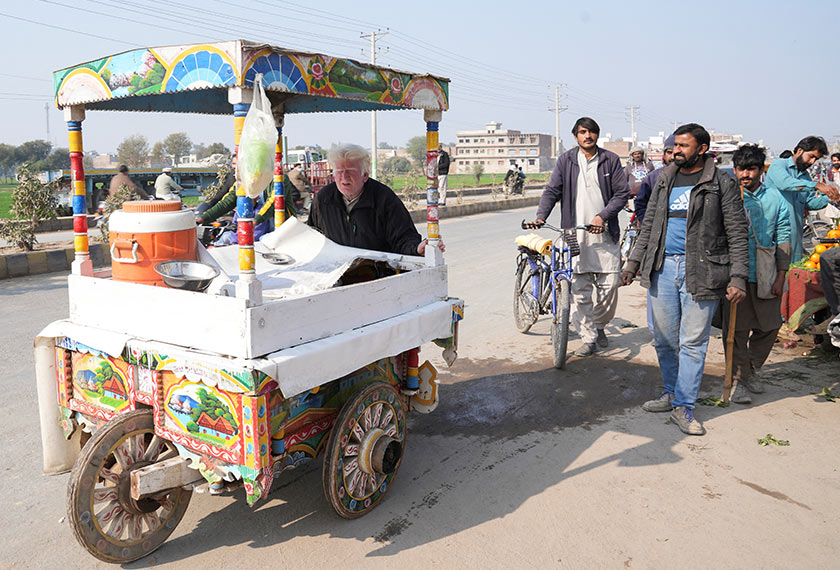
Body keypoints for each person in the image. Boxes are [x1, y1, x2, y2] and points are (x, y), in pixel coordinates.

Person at [621, 123, 749, 436]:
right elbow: (649, 223)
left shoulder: (721, 182)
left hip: (703, 270)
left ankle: (684, 405)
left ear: (702, 149)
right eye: (675, 145)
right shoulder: (665, 178)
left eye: (684, 146)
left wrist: (738, 277)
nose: (677, 151)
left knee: (692, 341)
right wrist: (633, 261)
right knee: (665, 340)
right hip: (662, 268)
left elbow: (736, 230)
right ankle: (671, 392)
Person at [531, 117, 630, 356]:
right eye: (582, 132)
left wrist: (602, 216)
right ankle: (589, 338)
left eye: (592, 132)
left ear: (597, 135)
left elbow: (622, 193)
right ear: (575, 136)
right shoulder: (566, 160)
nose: (588, 136)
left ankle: (599, 323)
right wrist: (541, 216)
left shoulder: (611, 160)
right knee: (579, 290)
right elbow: (552, 190)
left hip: (604, 234)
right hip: (574, 235)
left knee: (609, 288)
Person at [721, 145, 791, 404]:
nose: (745, 174)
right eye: (741, 169)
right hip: (734, 274)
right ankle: (739, 378)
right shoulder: (728, 196)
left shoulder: (775, 198)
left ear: (762, 170)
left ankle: (749, 368)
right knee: (735, 331)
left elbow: (783, 237)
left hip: (766, 273)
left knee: (771, 326)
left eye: (751, 169)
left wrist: (781, 275)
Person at [308, 143, 443, 256]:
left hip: (376, 275)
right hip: (336, 274)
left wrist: (417, 249)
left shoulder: (384, 199)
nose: (344, 176)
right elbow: (312, 236)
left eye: (350, 170)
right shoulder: (323, 199)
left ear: (365, 175)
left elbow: (403, 238)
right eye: (339, 171)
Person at [764, 136, 839, 262]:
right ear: (799, 151)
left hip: (795, 238)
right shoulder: (779, 165)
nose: (812, 162)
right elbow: (785, 183)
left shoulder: (805, 176)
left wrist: (830, 198)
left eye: (816, 159)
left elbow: (809, 202)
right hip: (775, 237)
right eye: (811, 156)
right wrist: (817, 185)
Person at [634, 135, 675, 224]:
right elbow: (640, 205)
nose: (672, 157)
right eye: (669, 152)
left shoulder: (695, 177)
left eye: (676, 153)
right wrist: (649, 227)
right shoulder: (653, 177)